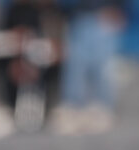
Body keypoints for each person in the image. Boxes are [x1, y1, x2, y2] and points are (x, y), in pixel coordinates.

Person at [50, 0, 130, 134]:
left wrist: (120, 9)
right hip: (78, 16)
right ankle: (73, 110)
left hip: (106, 14)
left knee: (102, 66)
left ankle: (102, 111)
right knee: (75, 65)